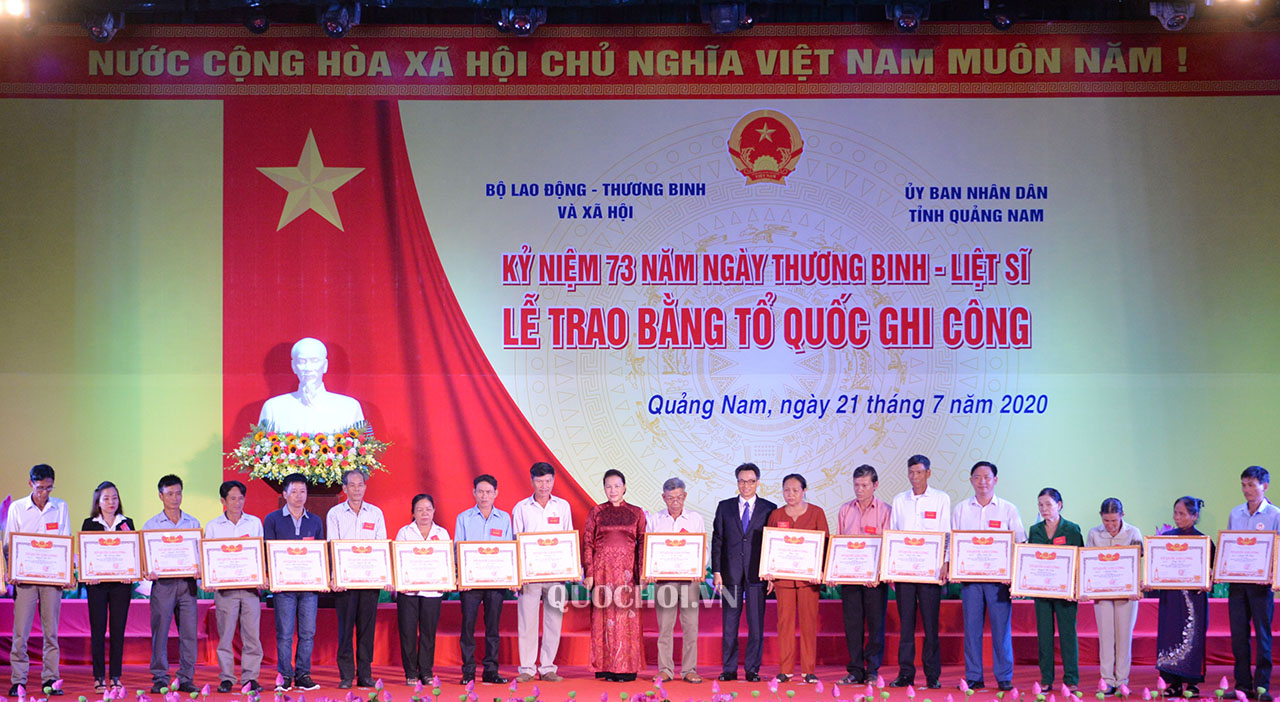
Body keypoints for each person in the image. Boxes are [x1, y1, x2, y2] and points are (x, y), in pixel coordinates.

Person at [951, 460, 1024, 692]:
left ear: (995, 480)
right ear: (971, 480)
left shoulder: (1008, 509)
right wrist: (954, 568)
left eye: (987, 477)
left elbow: (1019, 544)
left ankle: (1004, 676)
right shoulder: (961, 509)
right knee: (972, 630)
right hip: (970, 581)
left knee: (1001, 630)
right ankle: (974, 676)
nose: (982, 482)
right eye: (977, 477)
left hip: (999, 582)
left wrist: (1013, 574)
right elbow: (953, 542)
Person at [6, 464, 71, 697]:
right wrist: (11, 571)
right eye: (40, 487)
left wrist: (66, 574)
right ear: (30, 484)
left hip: (52, 579)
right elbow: (9, 544)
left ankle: (51, 679)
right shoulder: (17, 508)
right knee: (21, 632)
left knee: (51, 632)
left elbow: (65, 541)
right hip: (25, 579)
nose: (44, 493)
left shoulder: (60, 507)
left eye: (49, 488)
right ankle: (18, 681)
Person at [888, 455, 950, 690]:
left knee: (931, 626)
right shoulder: (899, 500)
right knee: (906, 626)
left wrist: (946, 562)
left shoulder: (941, 499)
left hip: (931, 573)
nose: (915, 477)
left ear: (928, 473)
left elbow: (946, 533)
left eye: (919, 472)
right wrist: (891, 567)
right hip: (904, 573)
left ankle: (932, 675)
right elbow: (893, 534)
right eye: (911, 472)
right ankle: (906, 673)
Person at [711, 462, 777, 683]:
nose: (746, 485)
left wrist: (771, 572)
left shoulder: (769, 508)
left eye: (751, 481)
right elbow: (718, 540)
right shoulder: (724, 507)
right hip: (730, 575)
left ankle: (752, 669)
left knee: (756, 625)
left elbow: (773, 543)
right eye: (742, 481)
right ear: (737, 482)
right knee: (730, 624)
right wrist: (717, 571)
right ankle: (729, 669)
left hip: (757, 575)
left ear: (758, 483)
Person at [262, 472, 325, 692]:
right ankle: (285, 676)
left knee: (308, 633)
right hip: (284, 587)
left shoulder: (315, 521)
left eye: (303, 491)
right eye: (294, 491)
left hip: (309, 587)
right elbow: (267, 550)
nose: (299, 496)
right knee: (285, 634)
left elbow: (320, 553)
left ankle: (303, 675)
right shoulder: (272, 519)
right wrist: (270, 576)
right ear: (284, 494)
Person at [582, 469, 647, 682]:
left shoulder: (636, 512)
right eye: (608, 486)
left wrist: (643, 573)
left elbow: (643, 544)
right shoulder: (597, 512)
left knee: (626, 620)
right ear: (604, 488)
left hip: (628, 574)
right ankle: (606, 667)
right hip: (602, 572)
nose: (613, 490)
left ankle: (627, 668)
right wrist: (589, 572)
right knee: (605, 619)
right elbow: (588, 542)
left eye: (617, 486)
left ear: (624, 487)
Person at [511, 462, 573, 683]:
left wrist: (569, 568)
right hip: (530, 576)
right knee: (527, 622)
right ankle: (527, 669)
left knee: (553, 621)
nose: (544, 486)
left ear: (553, 481)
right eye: (539, 481)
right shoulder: (521, 508)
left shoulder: (563, 506)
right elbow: (516, 542)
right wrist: (518, 574)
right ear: (531, 481)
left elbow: (567, 538)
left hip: (556, 575)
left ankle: (547, 667)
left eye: (548, 481)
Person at [326, 469, 388, 689]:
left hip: (369, 581)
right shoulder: (335, 513)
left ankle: (365, 674)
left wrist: (384, 575)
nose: (356, 489)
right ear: (344, 488)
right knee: (345, 630)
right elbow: (332, 545)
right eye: (351, 485)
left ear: (365, 487)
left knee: (366, 629)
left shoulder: (375, 513)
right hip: (345, 582)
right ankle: (346, 675)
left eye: (360, 484)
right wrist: (334, 577)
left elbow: (381, 545)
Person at [765, 474, 829, 684]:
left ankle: (809, 670)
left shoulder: (816, 513)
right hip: (783, 579)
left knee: (809, 623)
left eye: (795, 490)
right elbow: (769, 545)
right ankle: (785, 670)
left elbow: (824, 544)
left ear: (804, 491)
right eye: (786, 490)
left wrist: (820, 570)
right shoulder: (776, 514)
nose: (790, 494)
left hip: (808, 580)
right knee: (785, 623)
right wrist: (769, 572)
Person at [203, 480, 264, 694]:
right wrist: (208, 579)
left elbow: (260, 553)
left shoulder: (254, 523)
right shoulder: (213, 526)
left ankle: (251, 678)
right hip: (225, 590)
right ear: (223, 501)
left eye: (240, 498)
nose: (237, 503)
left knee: (252, 636)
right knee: (226, 636)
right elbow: (208, 557)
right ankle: (227, 678)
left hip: (250, 589)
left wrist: (262, 575)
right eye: (232, 498)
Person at [143, 474, 202, 694]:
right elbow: (147, 559)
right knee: (160, 632)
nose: (175, 498)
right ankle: (159, 677)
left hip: (187, 584)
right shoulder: (151, 525)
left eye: (178, 493)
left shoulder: (193, 523)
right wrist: (148, 570)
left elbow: (199, 554)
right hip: (163, 585)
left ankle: (186, 677)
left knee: (189, 633)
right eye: (169, 494)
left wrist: (200, 568)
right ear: (161, 496)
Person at [647, 477, 706, 684]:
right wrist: (650, 570)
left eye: (679, 497)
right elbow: (648, 548)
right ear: (663, 497)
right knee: (665, 627)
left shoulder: (695, 519)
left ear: (685, 496)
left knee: (691, 626)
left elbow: (703, 547)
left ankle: (689, 669)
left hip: (690, 580)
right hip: (664, 581)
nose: (675, 501)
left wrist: (699, 567)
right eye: (671, 498)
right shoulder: (655, 520)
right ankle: (665, 669)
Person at [836, 465, 892, 686]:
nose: (859, 489)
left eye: (864, 485)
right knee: (853, 625)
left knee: (876, 624)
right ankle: (855, 670)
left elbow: (888, 545)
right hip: (850, 578)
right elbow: (839, 543)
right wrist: (836, 570)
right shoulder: (845, 509)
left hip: (874, 579)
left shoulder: (885, 510)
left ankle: (872, 670)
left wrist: (878, 572)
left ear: (875, 485)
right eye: (856, 485)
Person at [455, 474, 513, 685]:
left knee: (493, 628)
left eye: (489, 492)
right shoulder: (464, 518)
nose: (484, 496)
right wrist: (460, 576)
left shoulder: (504, 518)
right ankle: (468, 671)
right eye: (480, 491)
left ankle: (491, 671)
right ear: (474, 493)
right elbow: (457, 549)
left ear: (496, 493)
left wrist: (510, 576)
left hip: (496, 583)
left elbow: (509, 549)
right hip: (470, 584)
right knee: (468, 627)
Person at [1227, 467, 1278, 702]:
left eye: (1251, 485)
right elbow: (1229, 546)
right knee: (1238, 635)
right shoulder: (1235, 513)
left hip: (1261, 585)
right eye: (1243, 484)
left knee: (1263, 635)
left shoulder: (1275, 515)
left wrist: (1273, 575)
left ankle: (1262, 687)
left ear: (1264, 486)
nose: (1246, 490)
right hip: (1237, 583)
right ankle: (1242, 685)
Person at [1156, 496, 1214, 697]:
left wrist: (1209, 582)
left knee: (1192, 637)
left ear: (1194, 516)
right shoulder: (1165, 538)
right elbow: (1157, 566)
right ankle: (1173, 683)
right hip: (1171, 597)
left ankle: (1192, 683)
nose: (1177, 517)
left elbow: (1212, 571)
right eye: (1175, 513)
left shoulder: (1204, 541)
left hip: (1193, 599)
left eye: (1182, 514)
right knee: (1169, 635)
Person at [1027, 487, 1083, 691]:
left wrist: (1076, 588)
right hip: (1042, 592)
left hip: (1065, 593)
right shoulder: (1035, 530)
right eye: (1040, 505)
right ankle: (1046, 679)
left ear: (1059, 505)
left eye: (1048, 504)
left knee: (1068, 635)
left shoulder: (1072, 529)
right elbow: (1030, 559)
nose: (1044, 509)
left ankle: (1071, 679)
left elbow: (1079, 560)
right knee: (1044, 636)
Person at [1085, 498, 1143, 695]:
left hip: (1127, 592)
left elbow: (1138, 562)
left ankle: (1122, 680)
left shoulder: (1133, 533)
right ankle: (1107, 680)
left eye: (1114, 521)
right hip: (1102, 592)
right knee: (1106, 637)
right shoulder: (1094, 533)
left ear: (1122, 516)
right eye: (1106, 520)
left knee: (1124, 637)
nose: (1110, 525)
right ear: (1101, 517)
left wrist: (1137, 587)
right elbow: (1089, 562)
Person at [81, 480, 135, 692]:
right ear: (98, 501)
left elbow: (132, 552)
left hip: (121, 585)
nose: (111, 502)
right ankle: (98, 677)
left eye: (115, 497)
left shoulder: (127, 523)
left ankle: (115, 676)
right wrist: (88, 575)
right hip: (97, 585)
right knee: (98, 630)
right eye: (106, 498)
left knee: (118, 631)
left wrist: (131, 573)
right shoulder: (90, 524)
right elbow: (86, 554)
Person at [259, 337, 365, 434]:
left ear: (325, 365)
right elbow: (259, 446)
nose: (308, 368)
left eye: (314, 361)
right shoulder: (273, 408)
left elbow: (366, 446)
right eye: (302, 361)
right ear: (294, 366)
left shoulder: (349, 407)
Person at [395, 494, 448, 686]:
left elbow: (446, 561)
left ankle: (426, 671)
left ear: (434, 511)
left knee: (428, 632)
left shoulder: (442, 534)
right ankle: (410, 672)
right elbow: (398, 560)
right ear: (413, 513)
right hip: (408, 591)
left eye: (428, 509)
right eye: (419, 509)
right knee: (408, 632)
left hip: (433, 591)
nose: (424, 513)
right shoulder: (404, 533)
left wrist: (447, 579)